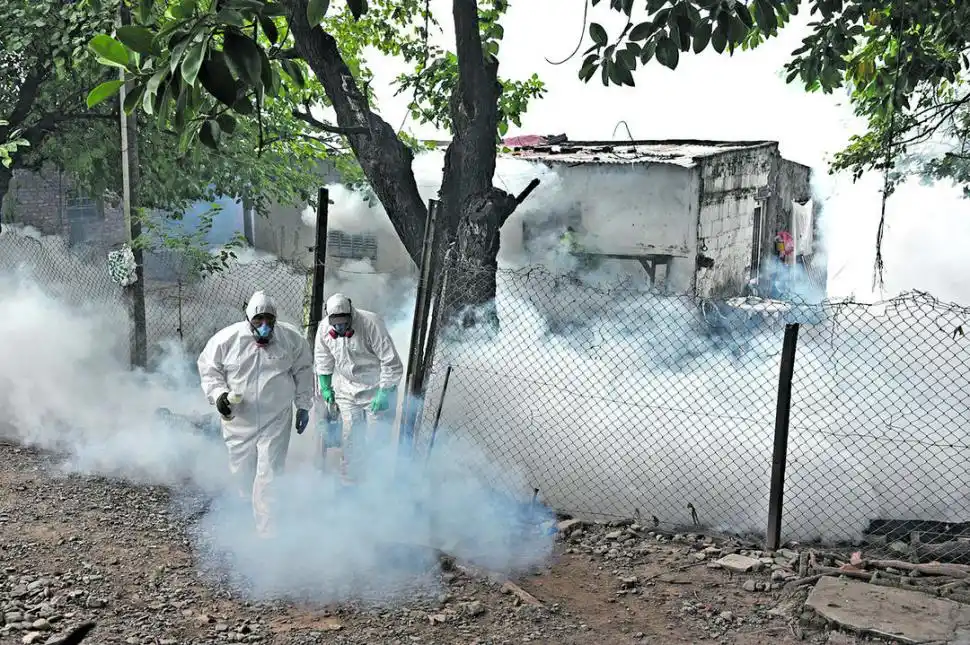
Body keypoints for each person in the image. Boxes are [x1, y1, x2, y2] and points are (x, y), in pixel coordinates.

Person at [197, 290, 314, 538]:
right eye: (258, 321)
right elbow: (209, 370)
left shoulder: (291, 339)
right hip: (240, 419)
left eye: (268, 321)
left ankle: (266, 535)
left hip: (276, 417)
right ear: (248, 319)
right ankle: (242, 518)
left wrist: (303, 404)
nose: (264, 326)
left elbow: (304, 370)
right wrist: (219, 395)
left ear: (275, 320)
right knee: (241, 473)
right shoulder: (226, 340)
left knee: (269, 473)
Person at [314, 293, 403, 484]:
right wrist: (326, 387)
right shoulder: (323, 329)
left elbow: (391, 362)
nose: (339, 327)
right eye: (335, 323)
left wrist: (384, 391)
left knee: (376, 439)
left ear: (351, 314)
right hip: (347, 388)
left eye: (343, 322)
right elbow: (323, 360)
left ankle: (375, 487)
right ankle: (350, 484)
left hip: (376, 388)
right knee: (351, 437)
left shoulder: (371, 324)